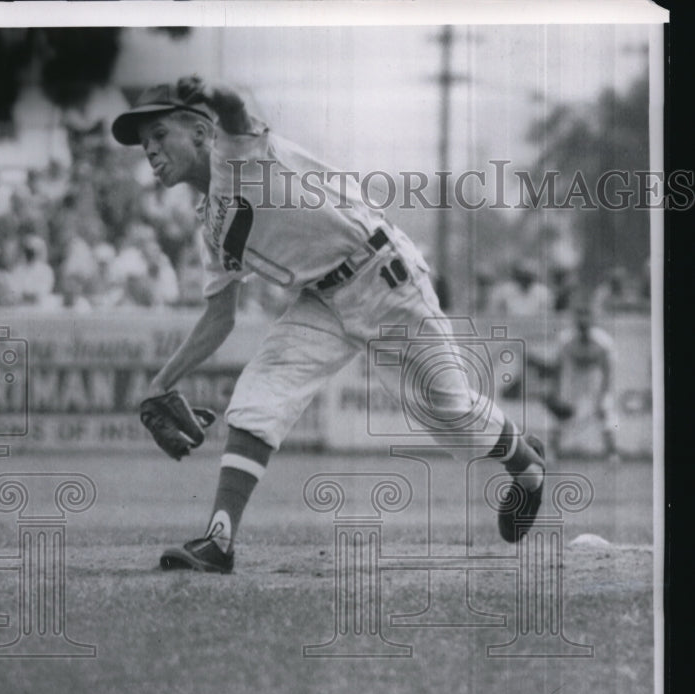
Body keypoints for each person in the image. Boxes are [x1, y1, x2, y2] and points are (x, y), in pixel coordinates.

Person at [111, 77, 547, 572]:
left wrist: (211, 91)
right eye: (144, 142)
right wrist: (160, 383)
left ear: (197, 132)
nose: (149, 148)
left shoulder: (234, 156)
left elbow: (232, 106)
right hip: (322, 300)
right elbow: (219, 316)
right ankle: (218, 541)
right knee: (261, 392)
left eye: (159, 134)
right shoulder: (210, 222)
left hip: (383, 277)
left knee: (448, 412)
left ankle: (527, 467)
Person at [547, 301, 619, 461]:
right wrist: (556, 389)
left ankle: (612, 453)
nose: (583, 323)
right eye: (580, 319)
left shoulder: (603, 341)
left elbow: (608, 370)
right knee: (561, 414)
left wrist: (604, 393)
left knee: (606, 412)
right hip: (574, 379)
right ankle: (552, 451)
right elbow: (557, 366)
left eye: (586, 319)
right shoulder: (566, 339)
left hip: (595, 379)